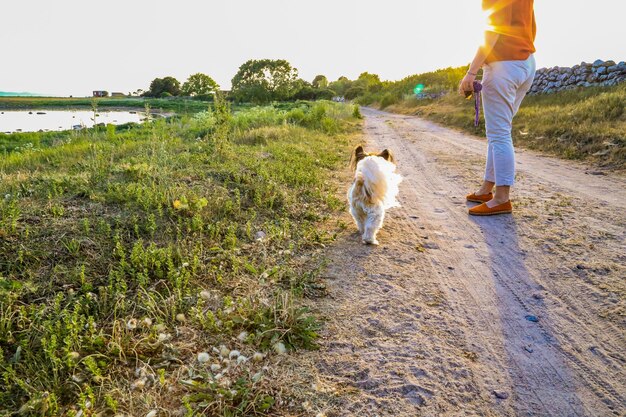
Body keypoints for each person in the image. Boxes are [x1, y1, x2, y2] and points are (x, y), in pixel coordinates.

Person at [460, 0, 537, 216]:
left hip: (503, 65)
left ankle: (502, 198)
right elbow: (530, 26)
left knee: (499, 134)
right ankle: (487, 189)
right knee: (499, 131)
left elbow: (492, 31)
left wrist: (471, 71)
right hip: (526, 62)